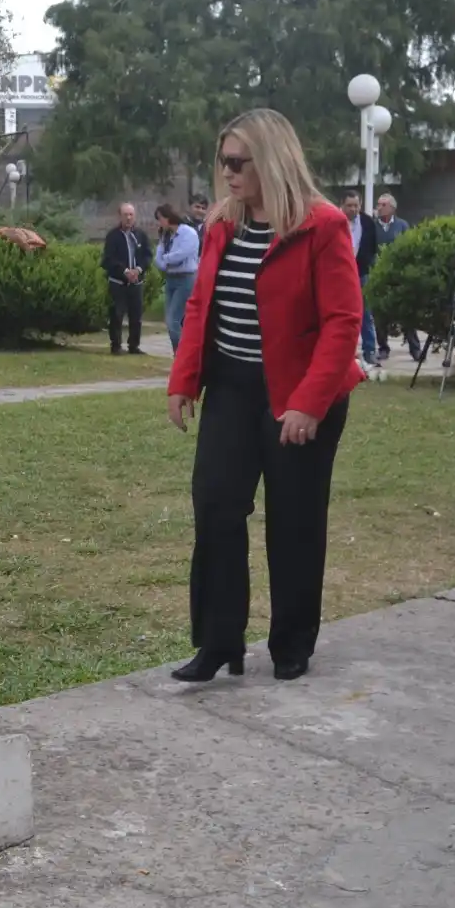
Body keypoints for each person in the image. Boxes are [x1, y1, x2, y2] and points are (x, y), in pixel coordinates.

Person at [167, 108, 365, 684]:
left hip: (300, 392)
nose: (226, 173)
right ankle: (217, 642)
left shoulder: (321, 225)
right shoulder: (223, 223)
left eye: (237, 162)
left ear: (271, 161)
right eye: (222, 161)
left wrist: (309, 400)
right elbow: (202, 305)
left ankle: (292, 643)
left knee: (295, 519)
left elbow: (342, 320)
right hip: (231, 385)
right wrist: (183, 380)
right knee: (216, 506)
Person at [372, 193, 418, 361]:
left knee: (406, 313)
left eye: (383, 205)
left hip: (398, 275)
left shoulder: (402, 226)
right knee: (380, 314)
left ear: (392, 208)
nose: (379, 207)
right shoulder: (373, 226)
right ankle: (383, 347)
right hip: (378, 275)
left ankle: (415, 348)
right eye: (378, 204)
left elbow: (409, 248)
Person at [101, 203, 153, 355]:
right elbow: (108, 259)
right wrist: (124, 271)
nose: (129, 218)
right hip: (118, 282)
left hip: (136, 282)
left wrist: (138, 270)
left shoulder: (140, 235)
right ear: (120, 216)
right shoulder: (113, 236)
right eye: (126, 215)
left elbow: (147, 255)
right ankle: (116, 345)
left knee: (136, 316)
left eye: (131, 214)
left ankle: (134, 345)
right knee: (116, 315)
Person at [339, 191, 379, 369]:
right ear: (342, 205)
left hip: (361, 273)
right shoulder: (335, 221)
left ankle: (370, 351)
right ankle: (344, 352)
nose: (353, 209)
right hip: (339, 274)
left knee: (365, 313)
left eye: (356, 205)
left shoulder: (368, 223)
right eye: (350, 205)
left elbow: (373, 246)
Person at [153, 204, 200, 353]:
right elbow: (157, 258)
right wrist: (165, 262)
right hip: (171, 278)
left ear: (168, 217)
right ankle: (179, 355)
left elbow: (182, 254)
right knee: (170, 320)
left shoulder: (188, 233)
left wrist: (166, 259)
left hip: (185, 279)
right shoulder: (166, 235)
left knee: (174, 320)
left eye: (160, 219)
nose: (159, 223)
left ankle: (182, 356)